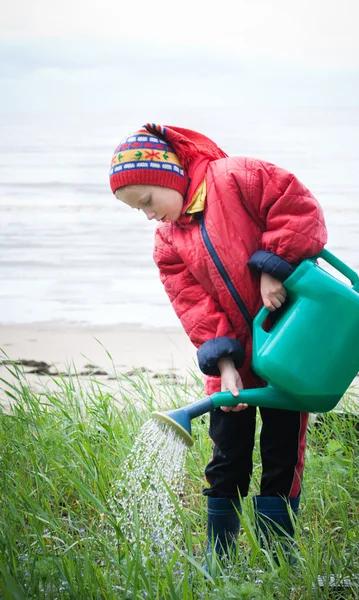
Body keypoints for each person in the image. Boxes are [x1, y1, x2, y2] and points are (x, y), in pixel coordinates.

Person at [109, 123, 327, 560]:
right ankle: (219, 556)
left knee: (283, 456)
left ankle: (277, 557)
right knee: (226, 456)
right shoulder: (169, 242)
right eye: (139, 211)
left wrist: (273, 264)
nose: (149, 215)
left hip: (286, 343)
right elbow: (195, 308)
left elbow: (298, 207)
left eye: (148, 201)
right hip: (232, 363)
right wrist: (224, 365)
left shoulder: (236, 177)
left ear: (169, 174)